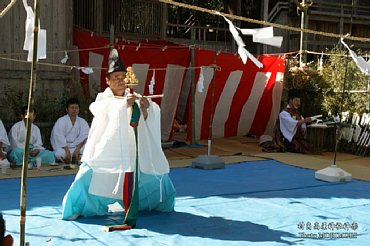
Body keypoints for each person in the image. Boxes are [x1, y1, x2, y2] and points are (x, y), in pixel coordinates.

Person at [62, 49, 175, 223]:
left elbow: (146, 120)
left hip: (132, 150)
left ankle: (153, 203)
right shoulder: (102, 99)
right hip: (108, 151)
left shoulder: (134, 97)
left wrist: (145, 109)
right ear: (107, 81)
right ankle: (77, 207)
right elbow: (101, 110)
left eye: (123, 77)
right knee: (87, 177)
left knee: (153, 175)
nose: (121, 81)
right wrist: (123, 106)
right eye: (116, 78)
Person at [50, 98, 90, 163]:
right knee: (58, 153)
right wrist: (67, 150)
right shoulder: (61, 121)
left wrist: (77, 149)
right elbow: (58, 136)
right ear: (67, 109)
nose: (74, 109)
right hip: (64, 148)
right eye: (72, 107)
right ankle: (76, 158)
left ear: (79, 109)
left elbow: (85, 136)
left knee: (87, 149)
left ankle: (75, 157)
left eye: (76, 107)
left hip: (77, 148)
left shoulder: (83, 122)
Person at [275, 89, 313, 153]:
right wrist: (304, 121)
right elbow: (291, 123)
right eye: (296, 101)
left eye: (299, 101)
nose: (298, 103)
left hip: (297, 138)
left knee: (309, 147)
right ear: (290, 100)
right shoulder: (284, 113)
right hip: (287, 139)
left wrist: (303, 128)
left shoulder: (297, 113)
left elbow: (302, 124)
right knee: (298, 147)